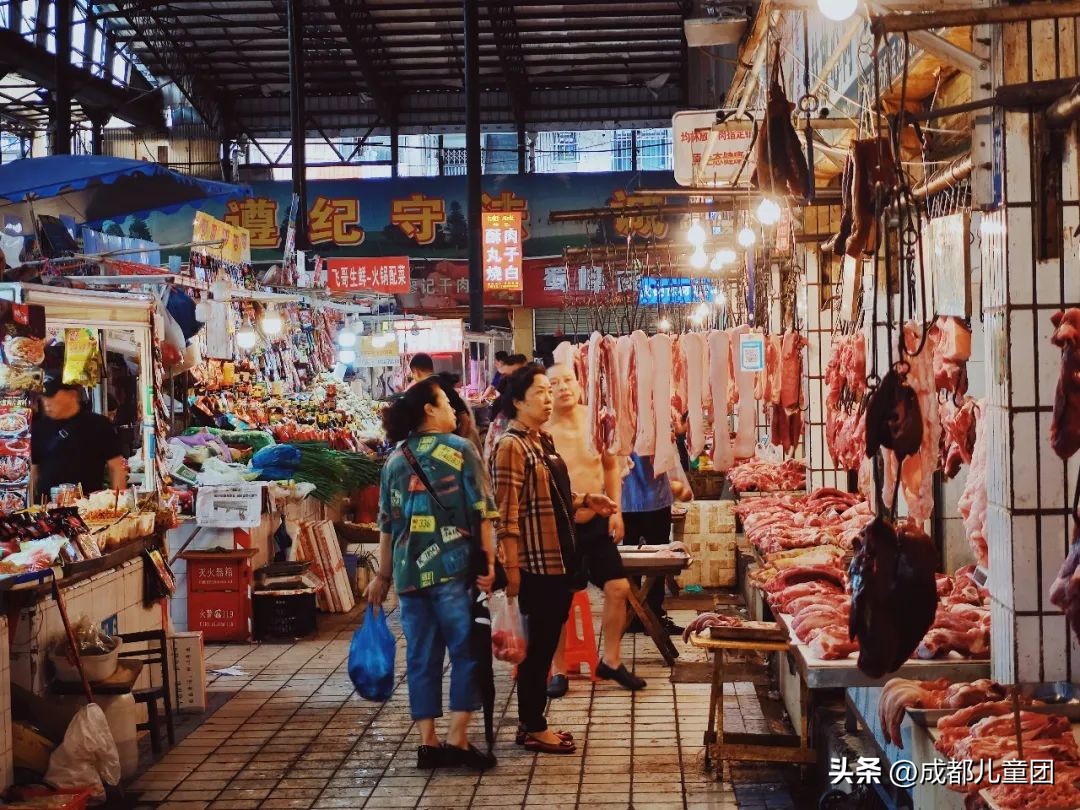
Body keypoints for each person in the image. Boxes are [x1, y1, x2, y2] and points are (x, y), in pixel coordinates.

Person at [366, 378, 498, 771]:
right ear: (428, 409)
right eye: (445, 404)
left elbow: (387, 525)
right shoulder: (460, 450)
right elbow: (484, 510)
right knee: (466, 652)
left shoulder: (395, 459)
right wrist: (489, 563)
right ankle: (458, 739)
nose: (454, 412)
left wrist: (382, 577)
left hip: (408, 576)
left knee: (422, 657)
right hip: (453, 571)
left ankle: (428, 743)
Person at [491, 366, 616, 755]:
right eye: (541, 392)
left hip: (559, 558)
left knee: (543, 646)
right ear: (517, 401)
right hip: (535, 564)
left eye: (550, 391)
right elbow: (506, 512)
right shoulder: (511, 445)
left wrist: (586, 500)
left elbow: (554, 494)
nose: (548, 399)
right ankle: (532, 726)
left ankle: (533, 721)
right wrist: (511, 570)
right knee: (539, 650)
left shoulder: (539, 439)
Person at [544, 364, 645, 695]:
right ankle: (558, 669)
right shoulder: (543, 432)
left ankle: (611, 661)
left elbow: (610, 466)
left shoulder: (594, 421)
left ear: (579, 383)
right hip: (559, 527)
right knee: (559, 599)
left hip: (598, 522)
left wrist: (616, 511)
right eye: (554, 383)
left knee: (617, 588)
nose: (563, 388)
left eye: (568, 380)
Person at [32, 372, 127, 503]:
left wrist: (119, 502)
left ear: (72, 395)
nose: (46, 402)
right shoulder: (38, 428)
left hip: (88, 509)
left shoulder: (98, 424)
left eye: (52, 396)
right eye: (43, 397)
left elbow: (115, 467)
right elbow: (33, 470)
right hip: (46, 510)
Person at [621, 452, 683, 636]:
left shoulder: (617, 423)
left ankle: (633, 616)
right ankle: (654, 617)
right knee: (660, 560)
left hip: (627, 501)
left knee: (630, 561)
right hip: (653, 499)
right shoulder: (657, 422)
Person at [483, 353, 527, 463]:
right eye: (506, 377)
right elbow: (492, 445)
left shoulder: (538, 408)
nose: (509, 382)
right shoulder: (501, 406)